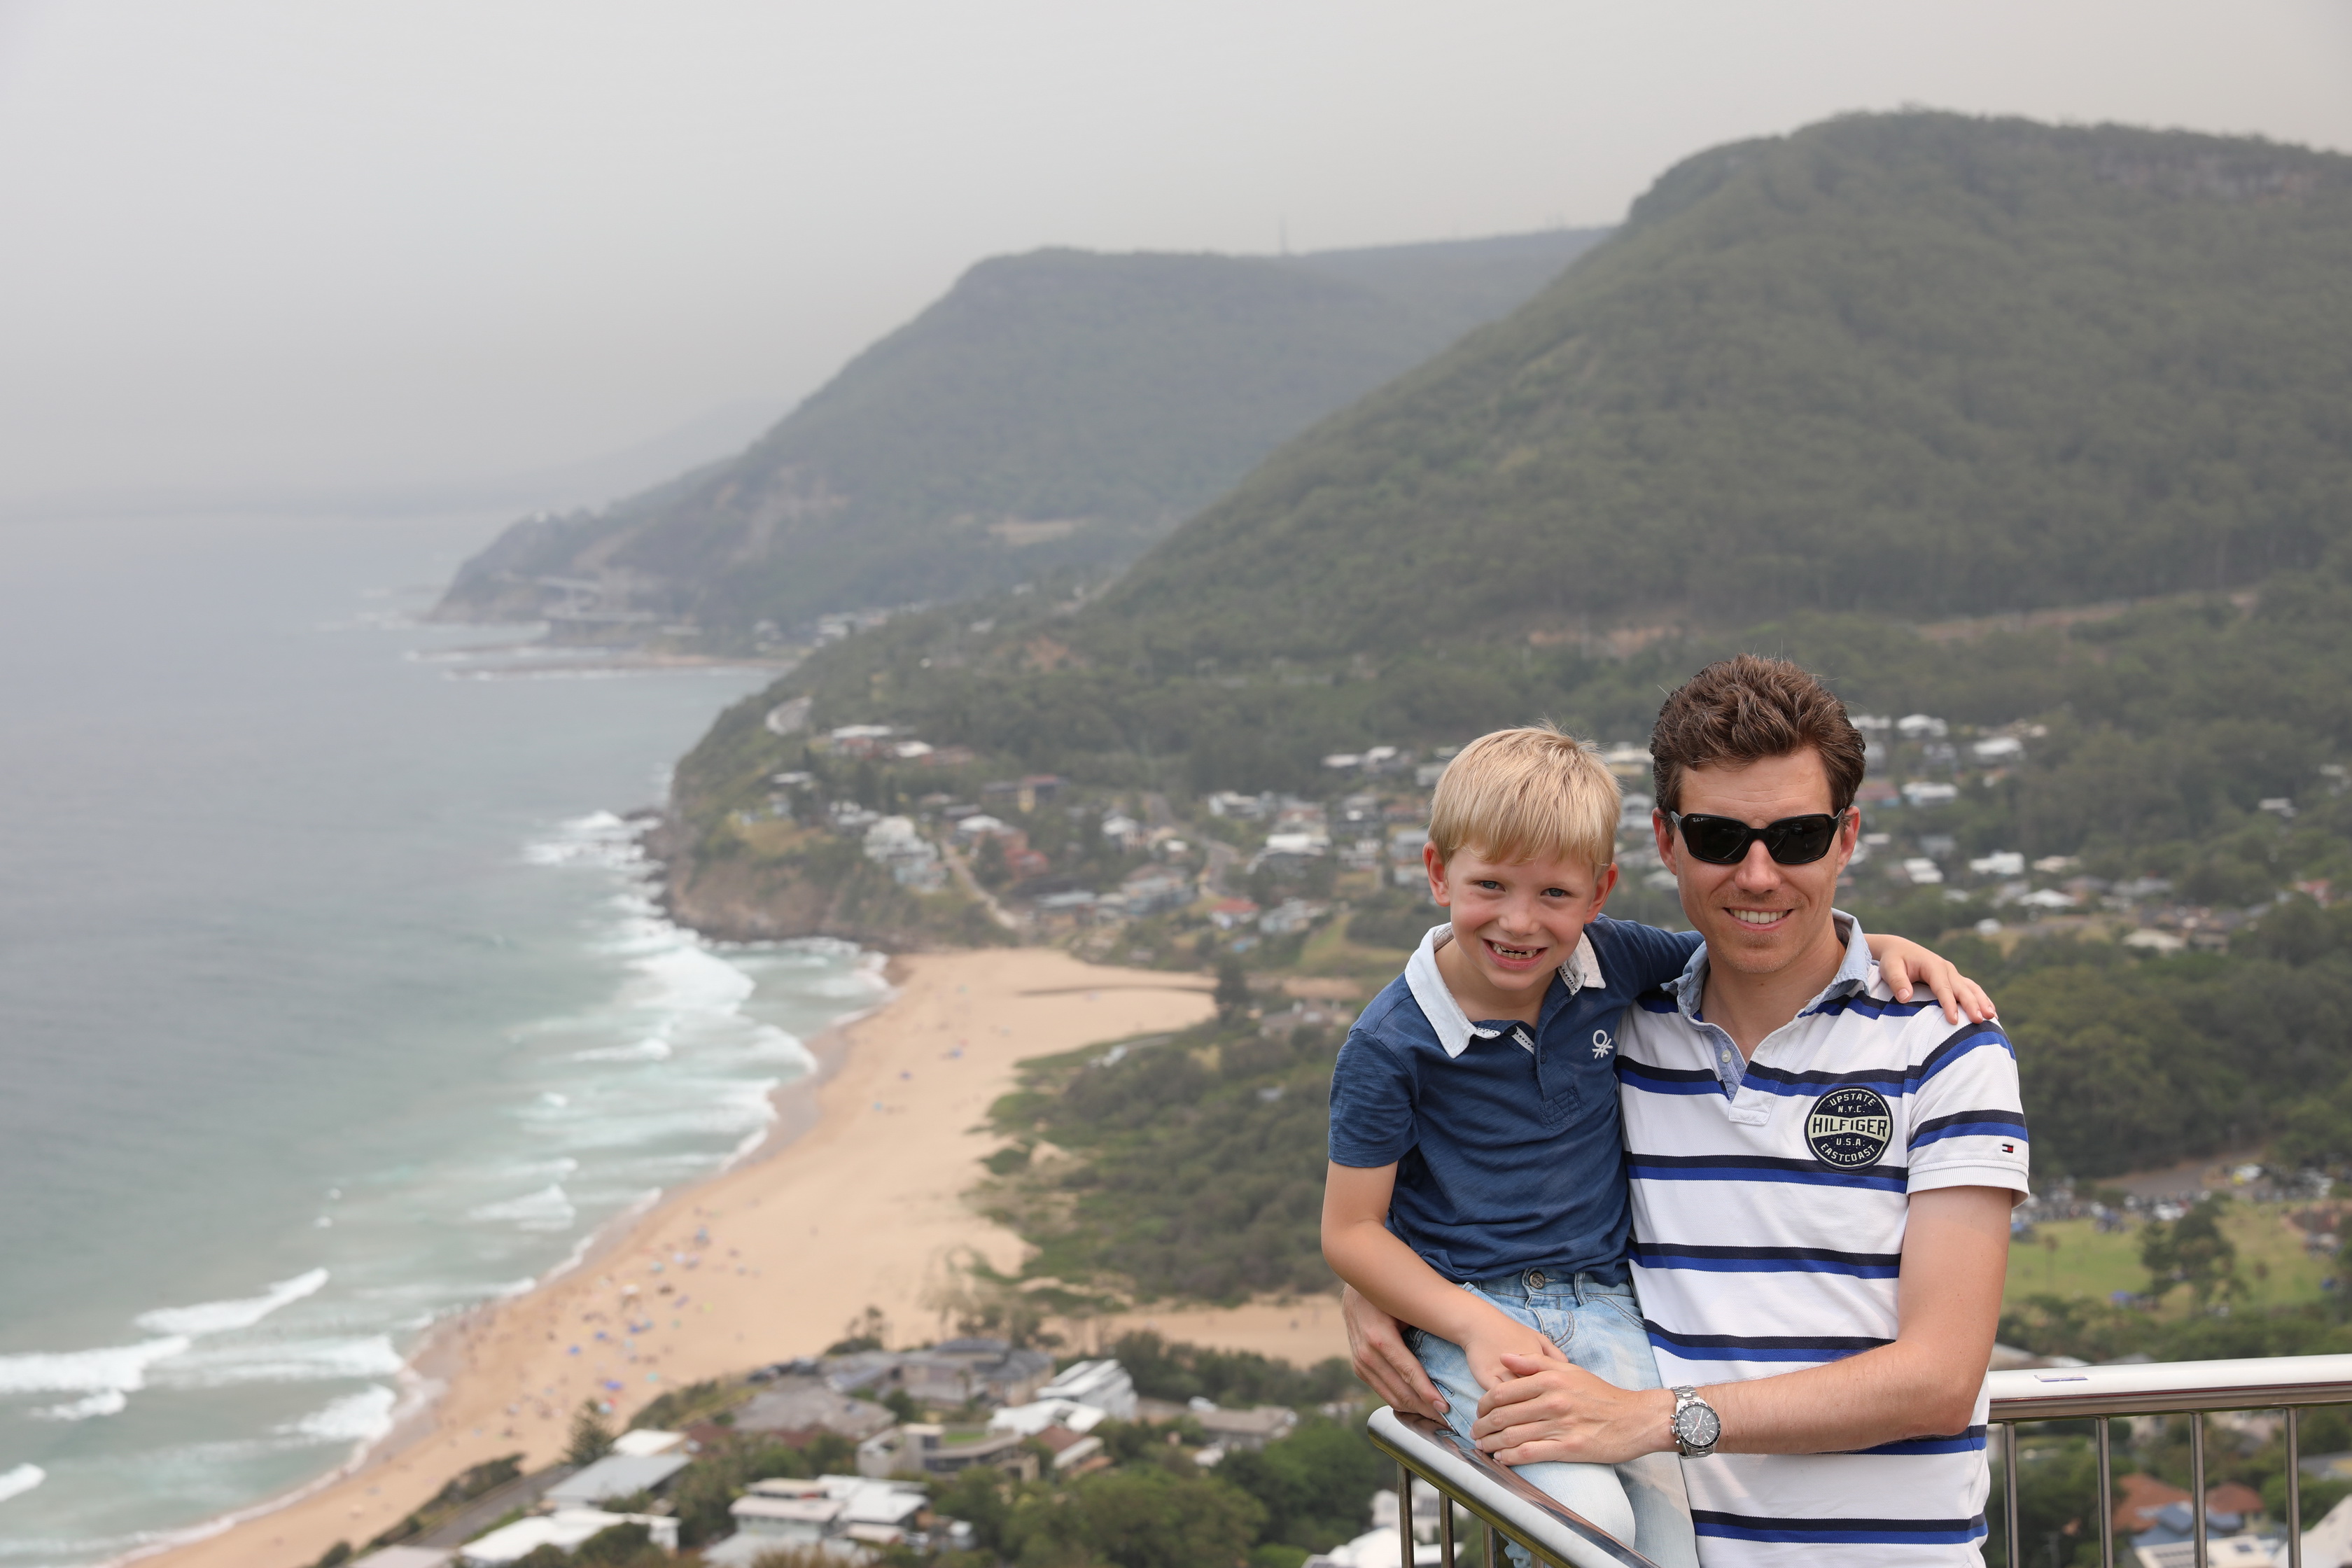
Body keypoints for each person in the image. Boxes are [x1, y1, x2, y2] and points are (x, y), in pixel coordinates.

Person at [1345, 661, 2026, 1567]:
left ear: (1846, 838)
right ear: (1667, 842)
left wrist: (1649, 1420)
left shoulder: (1943, 1046)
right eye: (1718, 837)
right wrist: (1380, 1291)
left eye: (1798, 837)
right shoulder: (1616, 1029)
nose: (1759, 874)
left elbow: (1940, 1380)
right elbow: (1465, 1149)